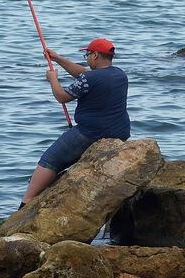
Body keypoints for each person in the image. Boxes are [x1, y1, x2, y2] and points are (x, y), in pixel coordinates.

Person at [19, 38, 130, 209]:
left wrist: (53, 79)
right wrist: (57, 58)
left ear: (95, 55)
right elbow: (85, 75)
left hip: (90, 133)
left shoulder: (90, 78)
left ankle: (25, 203)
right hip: (119, 132)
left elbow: (62, 97)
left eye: (87, 54)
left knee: (49, 160)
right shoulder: (119, 74)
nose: (86, 58)